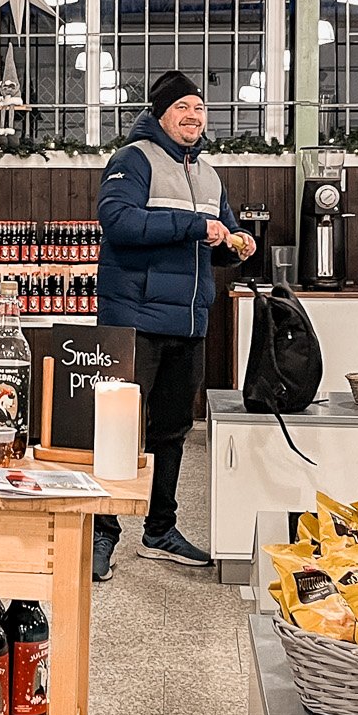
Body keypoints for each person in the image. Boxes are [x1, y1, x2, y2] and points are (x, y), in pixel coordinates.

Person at [94, 70, 253, 581]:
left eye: (201, 108)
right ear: (162, 113)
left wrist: (234, 244)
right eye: (183, 106)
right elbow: (117, 221)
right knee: (120, 431)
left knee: (172, 432)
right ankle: (102, 533)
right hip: (135, 320)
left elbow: (218, 233)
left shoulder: (209, 174)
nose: (194, 116)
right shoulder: (133, 159)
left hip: (189, 322)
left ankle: (160, 531)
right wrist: (192, 226)